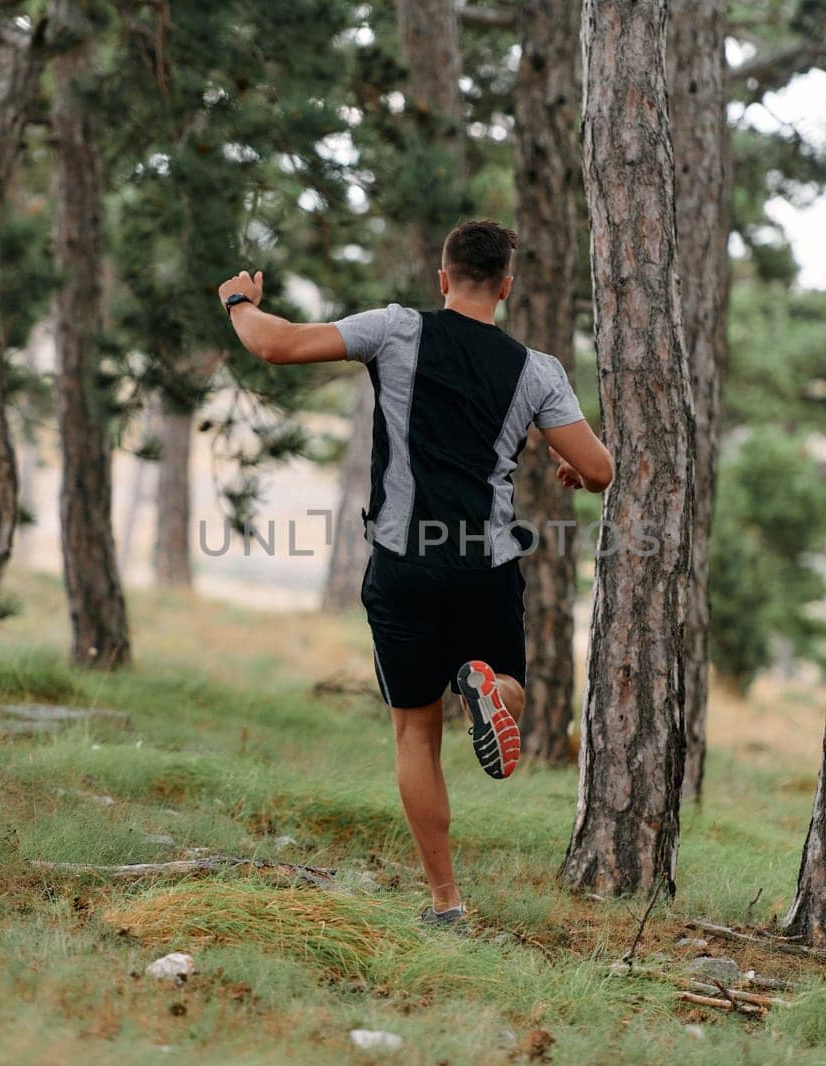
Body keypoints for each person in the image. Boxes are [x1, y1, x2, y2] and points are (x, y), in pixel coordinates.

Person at [218, 219, 613, 925]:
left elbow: (276, 345)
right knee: (508, 679)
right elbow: (600, 469)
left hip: (404, 563)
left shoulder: (397, 329)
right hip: (485, 564)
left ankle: (445, 902)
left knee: (414, 734)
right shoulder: (537, 370)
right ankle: (496, 695)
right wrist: (569, 467)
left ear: (443, 279)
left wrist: (238, 302)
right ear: (505, 287)